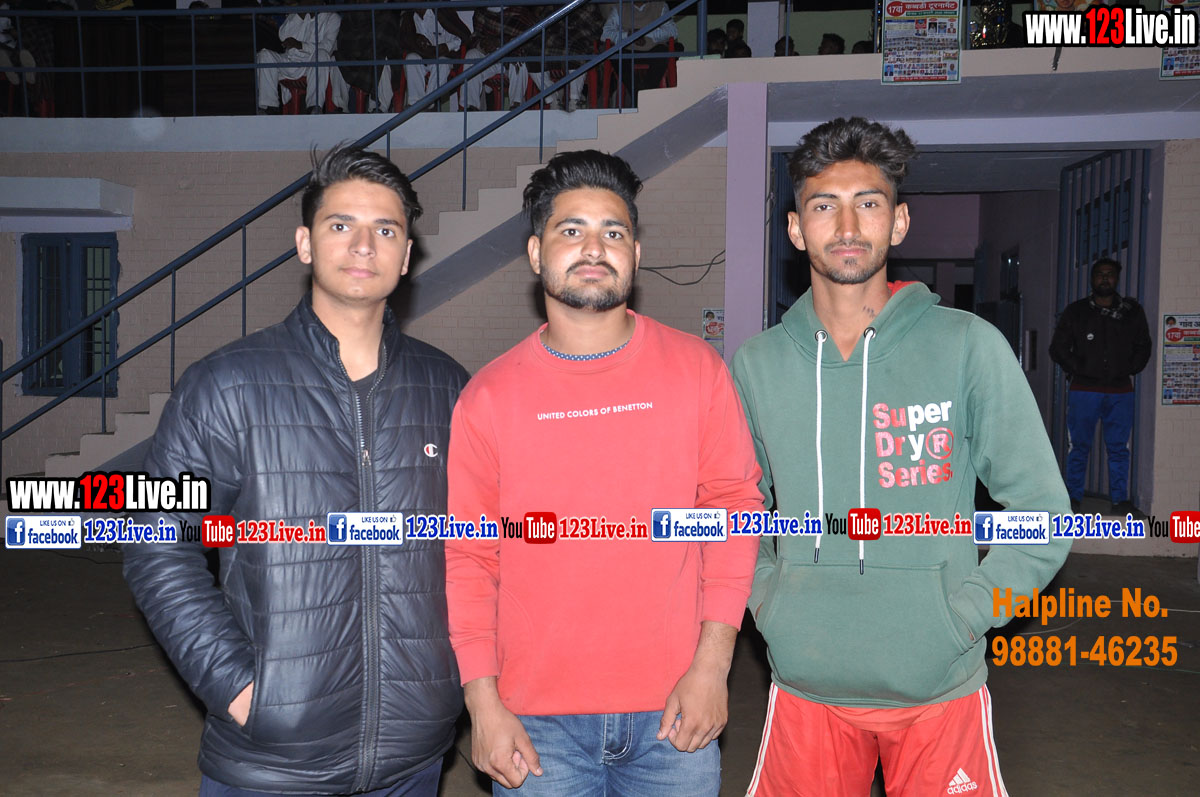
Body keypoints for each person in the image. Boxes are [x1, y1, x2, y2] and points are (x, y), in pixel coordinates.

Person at [732, 117, 1071, 797]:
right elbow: (732, 509)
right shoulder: (757, 364)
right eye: (823, 206)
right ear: (795, 229)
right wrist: (767, 601)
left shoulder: (967, 346)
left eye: (869, 203)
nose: (847, 225)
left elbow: (1044, 516)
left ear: (900, 222)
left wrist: (967, 615)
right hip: (805, 687)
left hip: (939, 689)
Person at [123, 145, 469, 796]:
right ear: (305, 244)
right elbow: (154, 543)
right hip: (270, 765)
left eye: (385, 229)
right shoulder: (224, 385)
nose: (363, 245)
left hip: (413, 758)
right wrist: (240, 688)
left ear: (406, 254)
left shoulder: (449, 389)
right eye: (341, 225)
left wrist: (455, 682)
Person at [445, 150, 763, 795]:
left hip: (674, 715)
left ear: (636, 254)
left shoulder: (697, 372)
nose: (594, 247)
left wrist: (712, 667)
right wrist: (483, 703)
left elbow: (734, 516)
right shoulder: (489, 397)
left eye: (613, 232)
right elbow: (469, 556)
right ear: (536, 254)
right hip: (534, 726)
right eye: (571, 230)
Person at [1049, 257, 1151, 515]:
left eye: (1110, 274)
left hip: (1120, 391)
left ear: (1117, 279)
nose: (1105, 278)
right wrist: (1081, 368)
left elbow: (1144, 345)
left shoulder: (1131, 313)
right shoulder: (1076, 312)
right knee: (1078, 447)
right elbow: (1057, 348)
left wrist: (1129, 368)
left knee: (1119, 449)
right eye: (1100, 274)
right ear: (1092, 279)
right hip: (1084, 390)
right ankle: (1072, 499)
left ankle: (1120, 501)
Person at [254, 5, 349, 113]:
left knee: (322, 55)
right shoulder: (297, 14)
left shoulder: (332, 18)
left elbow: (328, 47)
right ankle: (269, 106)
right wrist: (299, 16)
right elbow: (282, 35)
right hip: (291, 61)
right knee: (264, 55)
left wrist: (301, 45)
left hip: (312, 64)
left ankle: (314, 106)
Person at [600, 1, 680, 105]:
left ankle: (642, 95)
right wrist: (628, 35)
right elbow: (605, 34)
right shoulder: (620, 8)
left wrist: (644, 33)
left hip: (653, 49)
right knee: (615, 55)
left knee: (663, 52)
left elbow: (672, 31)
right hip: (628, 49)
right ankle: (640, 96)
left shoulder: (660, 6)